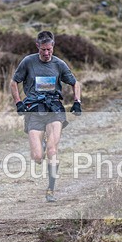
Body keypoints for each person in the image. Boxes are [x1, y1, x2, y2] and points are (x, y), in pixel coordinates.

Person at [10, 30, 82, 203]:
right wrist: (18, 102)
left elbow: (75, 83)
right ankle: (41, 146)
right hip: (34, 109)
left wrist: (77, 101)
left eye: (49, 49)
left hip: (54, 109)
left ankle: (50, 190)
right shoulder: (28, 62)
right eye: (43, 50)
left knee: (52, 150)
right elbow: (14, 82)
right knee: (37, 157)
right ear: (38, 47)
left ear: (53, 46)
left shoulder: (59, 64)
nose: (47, 53)